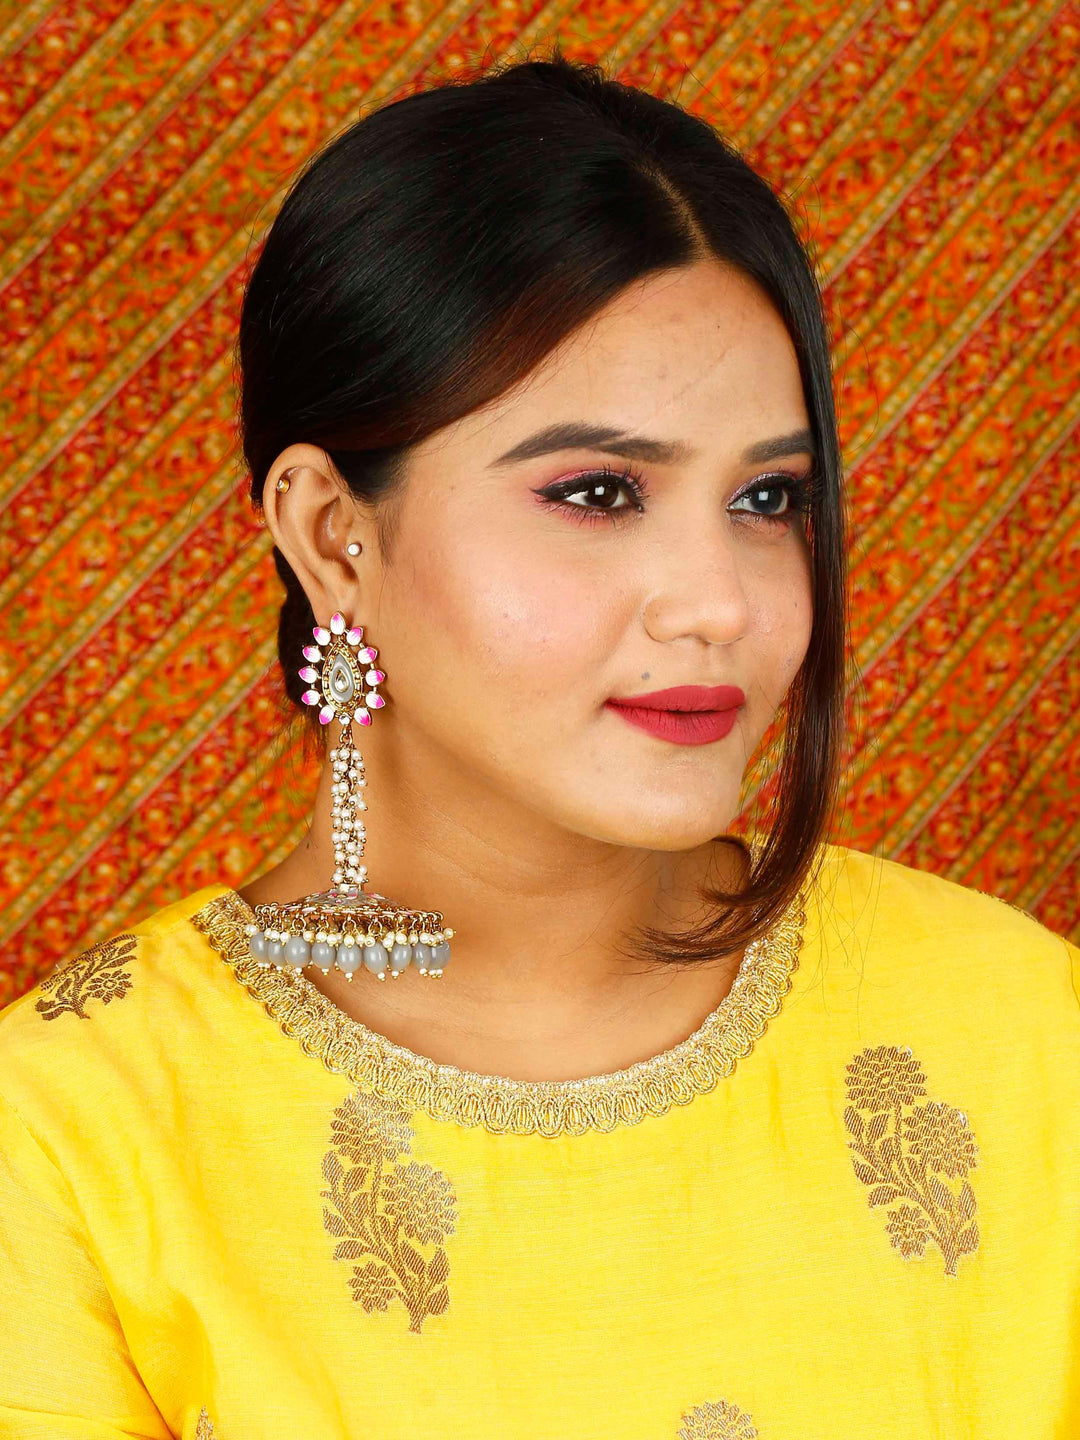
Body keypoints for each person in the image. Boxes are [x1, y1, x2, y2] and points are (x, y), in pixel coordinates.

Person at [0, 50, 1076, 1440]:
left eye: (767, 498)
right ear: (332, 533)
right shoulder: (72, 1144)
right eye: (599, 492)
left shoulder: (1020, 1033)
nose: (719, 604)